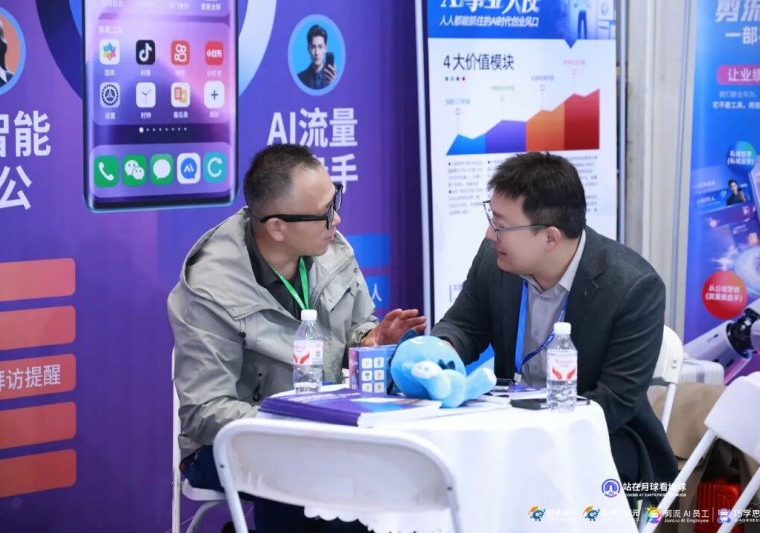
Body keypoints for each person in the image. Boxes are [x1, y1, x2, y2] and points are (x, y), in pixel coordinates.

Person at [168, 143, 425, 532]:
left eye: (335, 200)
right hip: (230, 444)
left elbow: (352, 331)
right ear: (277, 227)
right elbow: (206, 413)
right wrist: (296, 425)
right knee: (303, 473)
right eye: (325, 212)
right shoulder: (211, 289)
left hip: (328, 431)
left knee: (390, 465)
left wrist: (368, 342)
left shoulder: (331, 248)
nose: (337, 218)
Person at [431, 152, 678, 491]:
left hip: (600, 444)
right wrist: (437, 354)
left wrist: (535, 435)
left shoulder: (633, 287)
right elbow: (463, 326)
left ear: (550, 237)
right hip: (508, 430)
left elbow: (614, 402)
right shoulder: (495, 260)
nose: (490, 234)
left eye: (501, 225)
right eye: (492, 218)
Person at [297, 24, 337, 90]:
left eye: (320, 47)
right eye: (313, 47)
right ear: (308, 49)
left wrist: (334, 86)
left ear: (325, 49)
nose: (316, 53)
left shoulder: (334, 78)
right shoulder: (300, 78)